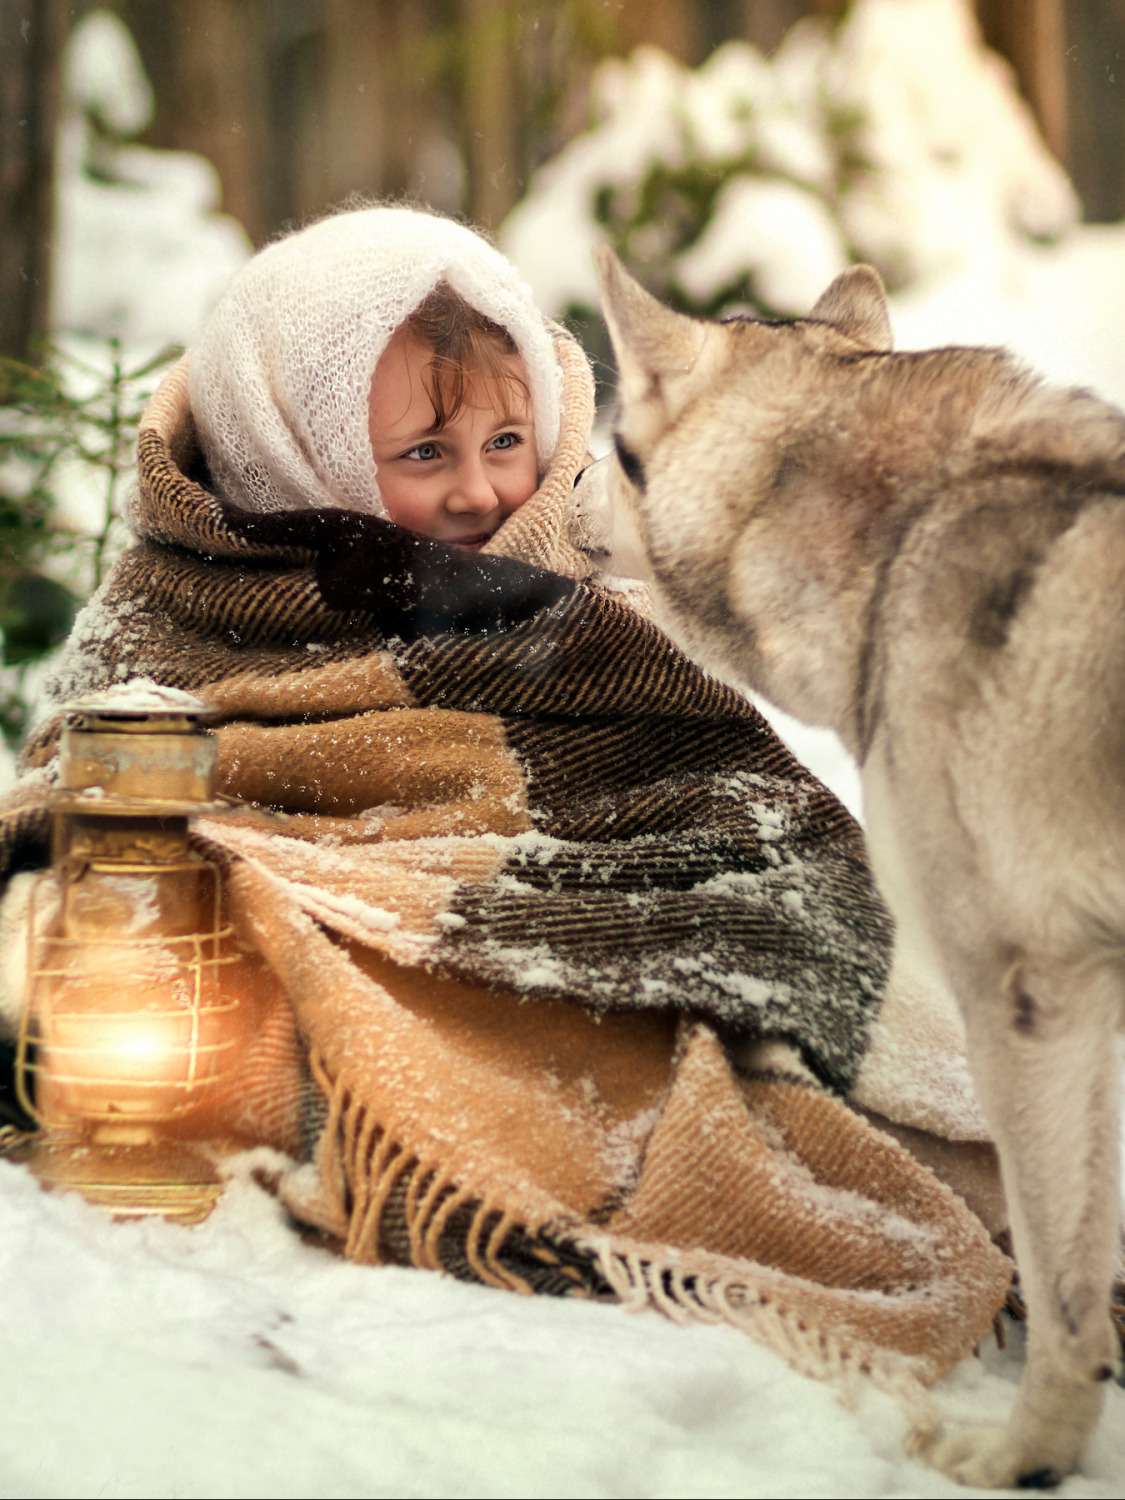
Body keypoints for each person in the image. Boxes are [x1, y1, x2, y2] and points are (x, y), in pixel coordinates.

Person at [0, 206, 1010, 1395]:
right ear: (290, 442)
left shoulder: (570, 604)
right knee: (121, 973)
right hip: (314, 954)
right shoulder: (180, 606)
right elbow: (85, 802)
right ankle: (437, 1097)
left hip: (598, 966)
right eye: (424, 452)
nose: (481, 491)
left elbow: (708, 789)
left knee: (807, 1013)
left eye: (507, 441)